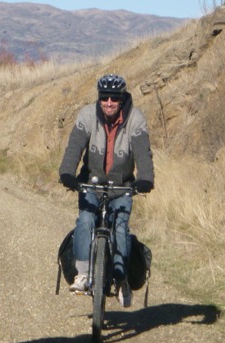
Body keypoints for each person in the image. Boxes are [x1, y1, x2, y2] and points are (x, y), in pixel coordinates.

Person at [58, 73, 154, 308]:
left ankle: (121, 279)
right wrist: (67, 173)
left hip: (122, 186)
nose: (109, 103)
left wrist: (145, 179)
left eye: (114, 98)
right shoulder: (87, 116)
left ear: (121, 99)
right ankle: (83, 273)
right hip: (91, 183)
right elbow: (74, 148)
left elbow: (143, 153)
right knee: (85, 220)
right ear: (99, 99)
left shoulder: (136, 119)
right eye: (104, 98)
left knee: (120, 227)